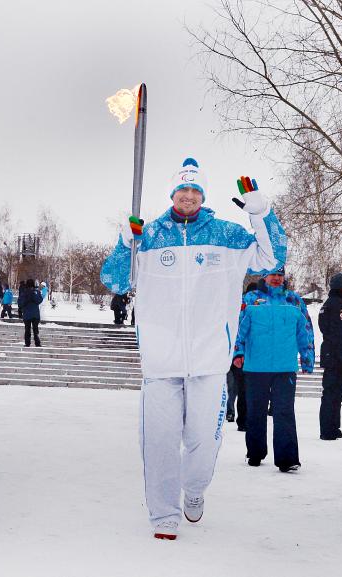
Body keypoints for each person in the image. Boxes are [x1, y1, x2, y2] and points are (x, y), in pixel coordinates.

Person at [100, 158, 286, 540]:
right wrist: (125, 243)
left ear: (203, 195)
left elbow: (273, 258)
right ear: (172, 194)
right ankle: (164, 514)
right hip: (160, 361)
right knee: (159, 443)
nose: (188, 196)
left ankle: (195, 489)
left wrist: (262, 215)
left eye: (195, 190)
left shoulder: (227, 235)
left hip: (209, 360)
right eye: (182, 190)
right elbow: (114, 282)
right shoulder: (148, 237)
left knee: (204, 441)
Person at [233, 268, 314, 471]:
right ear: (263, 276)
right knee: (255, 412)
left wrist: (307, 356)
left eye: (280, 275)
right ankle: (255, 453)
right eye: (272, 274)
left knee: (284, 412)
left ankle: (287, 459)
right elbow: (238, 328)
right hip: (255, 367)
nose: (277, 278)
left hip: (285, 367)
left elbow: (305, 330)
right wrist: (237, 352)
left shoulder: (293, 300)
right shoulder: (251, 299)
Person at [318, 273, 342, 440]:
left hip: (333, 354)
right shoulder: (339, 307)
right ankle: (328, 429)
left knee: (335, 393)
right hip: (336, 356)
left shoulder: (331, 304)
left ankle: (333, 427)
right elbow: (340, 335)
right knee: (332, 392)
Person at [227, 282, 258, 430]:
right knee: (249, 390)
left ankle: (241, 419)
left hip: (237, 354)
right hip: (250, 353)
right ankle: (247, 419)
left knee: (239, 389)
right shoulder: (255, 304)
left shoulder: (238, 305)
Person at [18, 278, 44, 347]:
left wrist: (26, 300)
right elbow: (39, 300)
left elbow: (20, 303)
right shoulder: (36, 292)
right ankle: (37, 343)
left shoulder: (24, 292)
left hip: (26, 314)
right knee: (35, 329)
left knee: (27, 329)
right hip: (35, 314)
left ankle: (27, 343)